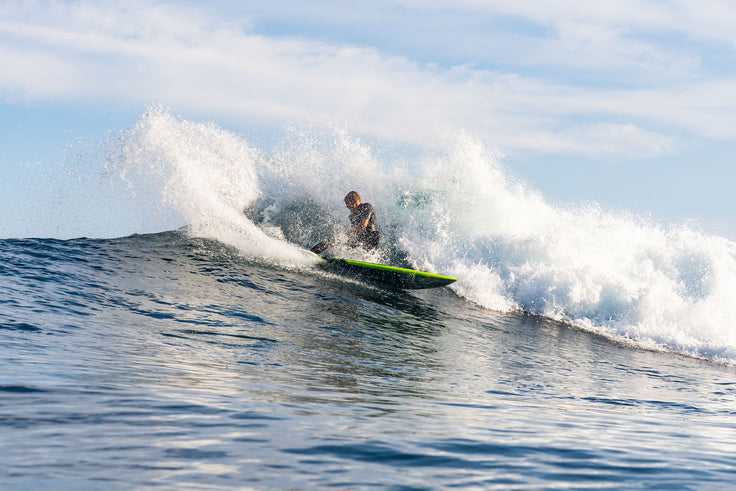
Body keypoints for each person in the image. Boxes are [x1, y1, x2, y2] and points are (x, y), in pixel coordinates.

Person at [310, 191, 380, 254]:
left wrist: (346, 235)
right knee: (330, 240)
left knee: (376, 234)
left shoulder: (366, 206)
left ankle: (369, 258)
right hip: (359, 239)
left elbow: (363, 225)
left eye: (348, 203)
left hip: (369, 238)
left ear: (355, 201)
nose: (346, 206)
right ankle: (311, 253)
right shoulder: (352, 216)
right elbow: (355, 232)